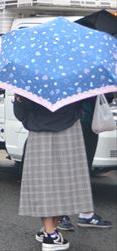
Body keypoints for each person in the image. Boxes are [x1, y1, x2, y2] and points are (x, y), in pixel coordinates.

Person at [14, 95, 94, 251]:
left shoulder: (30, 80)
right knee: (63, 182)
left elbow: (20, 114)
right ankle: (50, 234)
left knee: (43, 182)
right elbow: (82, 106)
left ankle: (48, 230)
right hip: (69, 131)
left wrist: (19, 101)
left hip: (38, 133)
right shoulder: (72, 78)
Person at [57, 95, 113, 230]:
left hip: (75, 122)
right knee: (76, 168)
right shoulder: (89, 76)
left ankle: (76, 213)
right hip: (81, 121)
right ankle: (69, 214)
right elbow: (109, 96)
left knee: (75, 168)